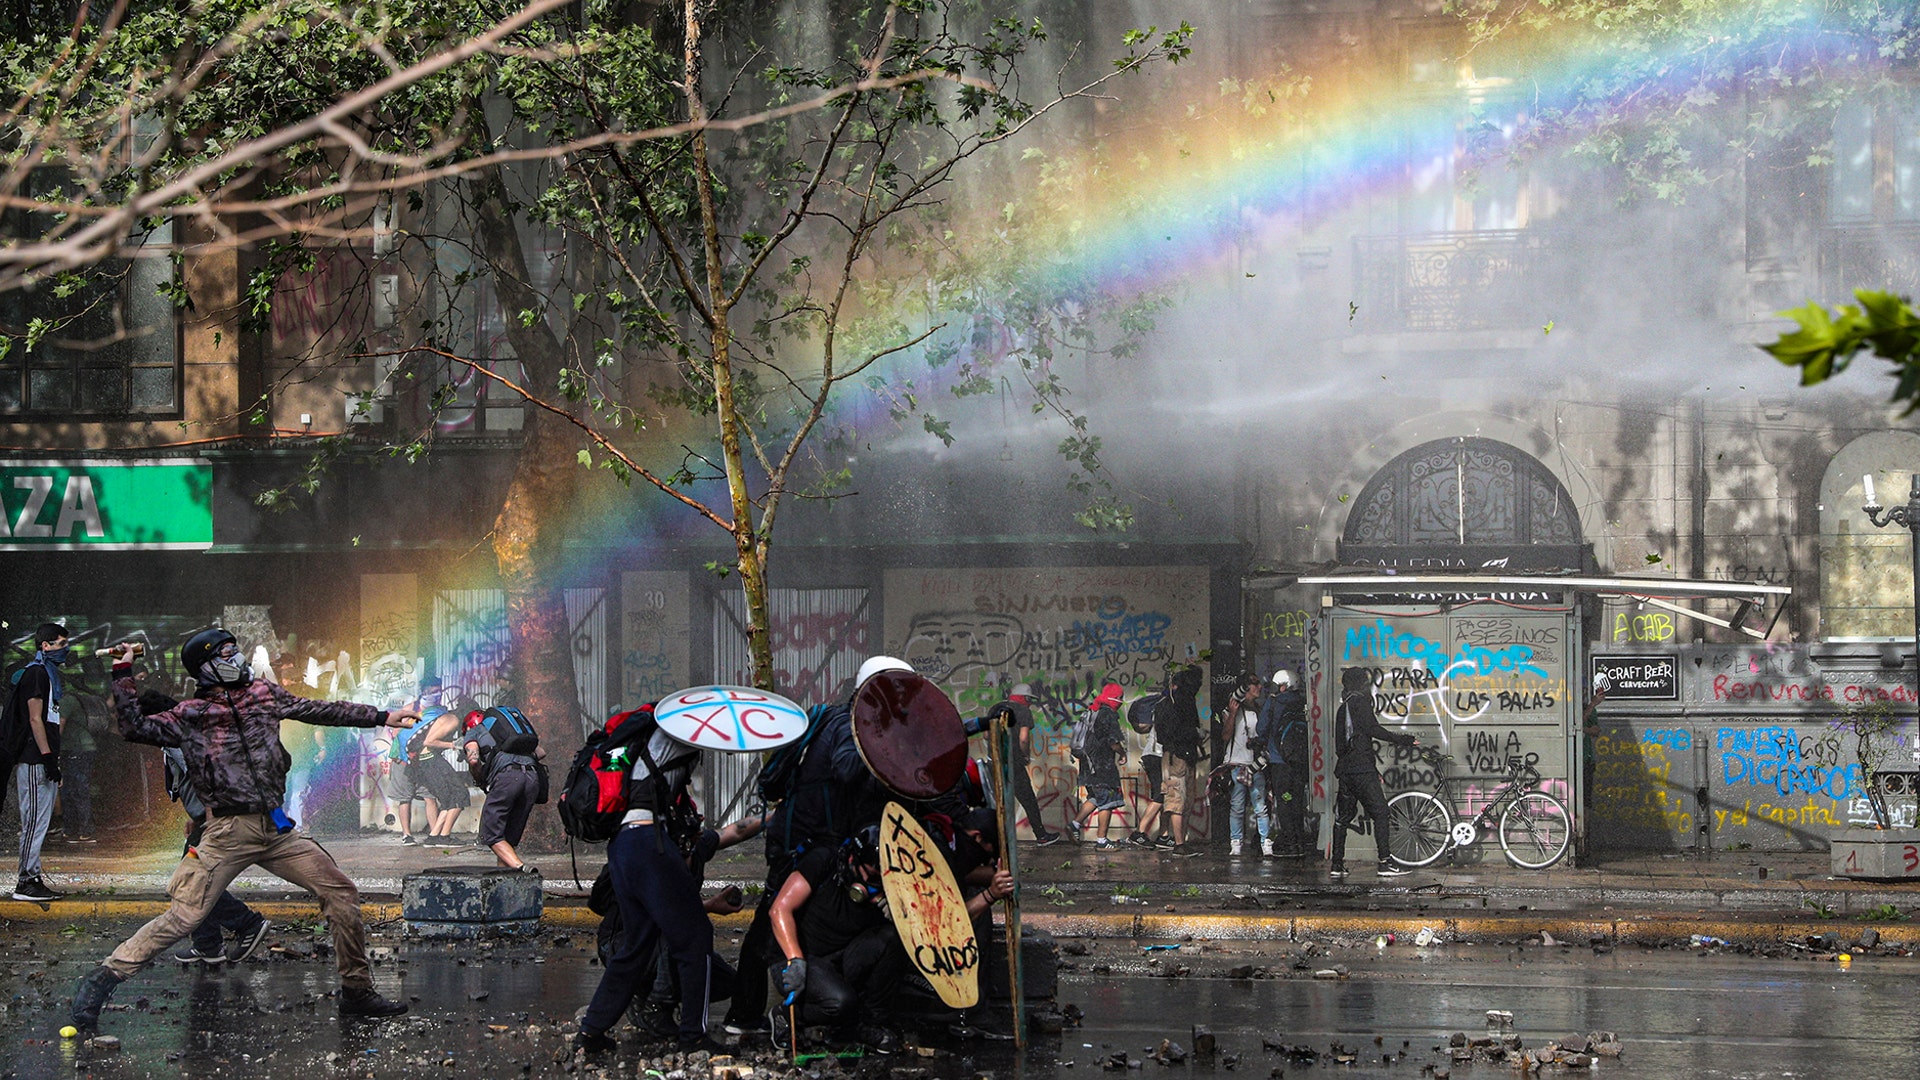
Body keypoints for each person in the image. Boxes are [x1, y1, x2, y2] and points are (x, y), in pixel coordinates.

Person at [71, 631, 417, 1030]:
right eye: (226, 653)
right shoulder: (192, 713)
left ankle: (356, 992)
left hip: (276, 826)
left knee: (341, 892)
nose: (236, 658)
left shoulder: (263, 694)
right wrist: (123, 668)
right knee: (184, 916)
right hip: (226, 831)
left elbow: (320, 710)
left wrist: (380, 716)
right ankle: (102, 979)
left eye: (235, 651)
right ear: (207, 666)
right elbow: (132, 725)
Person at [719, 655, 900, 1037]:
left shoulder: (844, 719)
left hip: (815, 836)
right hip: (804, 839)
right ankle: (748, 1011)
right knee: (771, 920)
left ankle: (802, 997)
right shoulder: (850, 726)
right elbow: (847, 768)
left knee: (807, 916)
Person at [573, 705, 722, 1057]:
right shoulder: (677, 732)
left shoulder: (638, 742)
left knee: (636, 945)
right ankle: (693, 1036)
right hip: (648, 842)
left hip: (623, 846)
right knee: (696, 936)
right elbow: (722, 734)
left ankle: (591, 1032)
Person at [140, 691, 274, 968]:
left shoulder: (177, 737)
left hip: (217, 819)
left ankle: (246, 923)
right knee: (195, 881)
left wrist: (209, 816)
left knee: (192, 882)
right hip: (207, 818)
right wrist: (196, 815)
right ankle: (208, 945)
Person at [1329, 666, 1417, 879]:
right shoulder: (1361, 702)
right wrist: (1404, 740)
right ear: (1360, 683)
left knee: (1342, 818)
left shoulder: (1344, 707)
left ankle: (1337, 865)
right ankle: (1385, 862)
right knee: (1381, 813)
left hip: (1347, 771)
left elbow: (1343, 745)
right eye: (1366, 682)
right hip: (1361, 771)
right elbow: (1373, 730)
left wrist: (1371, 768)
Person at [10, 623, 72, 902]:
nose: (64, 649)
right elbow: (35, 718)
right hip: (35, 759)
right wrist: (47, 758)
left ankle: (32, 876)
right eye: (59, 644)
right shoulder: (37, 673)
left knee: (40, 822)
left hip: (43, 759)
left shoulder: (48, 674)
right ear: (44, 645)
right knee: (34, 822)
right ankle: (26, 881)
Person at [461, 705, 545, 873]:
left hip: (507, 779)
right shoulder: (511, 734)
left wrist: (479, 779)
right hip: (532, 779)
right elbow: (541, 753)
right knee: (506, 836)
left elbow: (474, 760)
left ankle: (521, 869)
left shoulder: (475, 731)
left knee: (490, 833)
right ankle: (504, 879)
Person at [991, 683, 1060, 845]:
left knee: (996, 802)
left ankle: (996, 838)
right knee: (1028, 800)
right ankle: (1041, 836)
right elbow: (1023, 738)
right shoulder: (1023, 711)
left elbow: (987, 736)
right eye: (1029, 699)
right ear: (1024, 698)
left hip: (994, 762)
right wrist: (1026, 756)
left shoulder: (995, 708)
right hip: (1013, 762)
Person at [1258, 668, 1310, 857]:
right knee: (1296, 800)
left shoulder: (1273, 703)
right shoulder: (1303, 702)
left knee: (1284, 799)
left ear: (1283, 686)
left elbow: (1261, 728)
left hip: (1280, 762)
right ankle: (1299, 838)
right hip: (1299, 762)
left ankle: (1289, 841)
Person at [1069, 683, 1127, 851]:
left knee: (1095, 797)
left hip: (1088, 766)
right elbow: (1114, 742)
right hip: (1102, 766)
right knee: (1107, 801)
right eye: (1120, 698)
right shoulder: (1108, 714)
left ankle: (1074, 825)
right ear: (1115, 698)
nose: (1121, 701)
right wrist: (1122, 754)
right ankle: (1102, 841)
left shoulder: (1091, 711)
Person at [1155, 666, 1206, 857]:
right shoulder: (1183, 701)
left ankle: (1179, 841)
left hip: (1175, 755)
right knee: (1178, 800)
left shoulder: (1169, 701)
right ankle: (1179, 843)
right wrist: (1195, 733)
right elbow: (1176, 731)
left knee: (1180, 799)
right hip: (1179, 755)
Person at [1221, 674, 1272, 857]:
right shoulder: (1232, 708)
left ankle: (1266, 842)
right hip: (1236, 763)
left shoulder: (1259, 709)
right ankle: (1236, 842)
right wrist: (1233, 713)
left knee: (1260, 806)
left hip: (1255, 764)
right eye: (1254, 684)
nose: (1259, 687)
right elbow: (1225, 736)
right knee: (1237, 806)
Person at [59, 656, 105, 845]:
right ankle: (75, 830)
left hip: (76, 749)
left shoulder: (67, 701)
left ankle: (82, 830)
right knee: (75, 789)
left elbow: (58, 728)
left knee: (74, 789)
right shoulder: (79, 697)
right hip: (85, 748)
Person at [1127, 720, 1168, 848]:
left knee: (1165, 797)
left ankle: (1164, 836)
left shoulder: (1161, 710)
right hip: (1157, 756)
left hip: (1153, 755)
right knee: (1161, 795)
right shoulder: (1170, 711)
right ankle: (1139, 832)